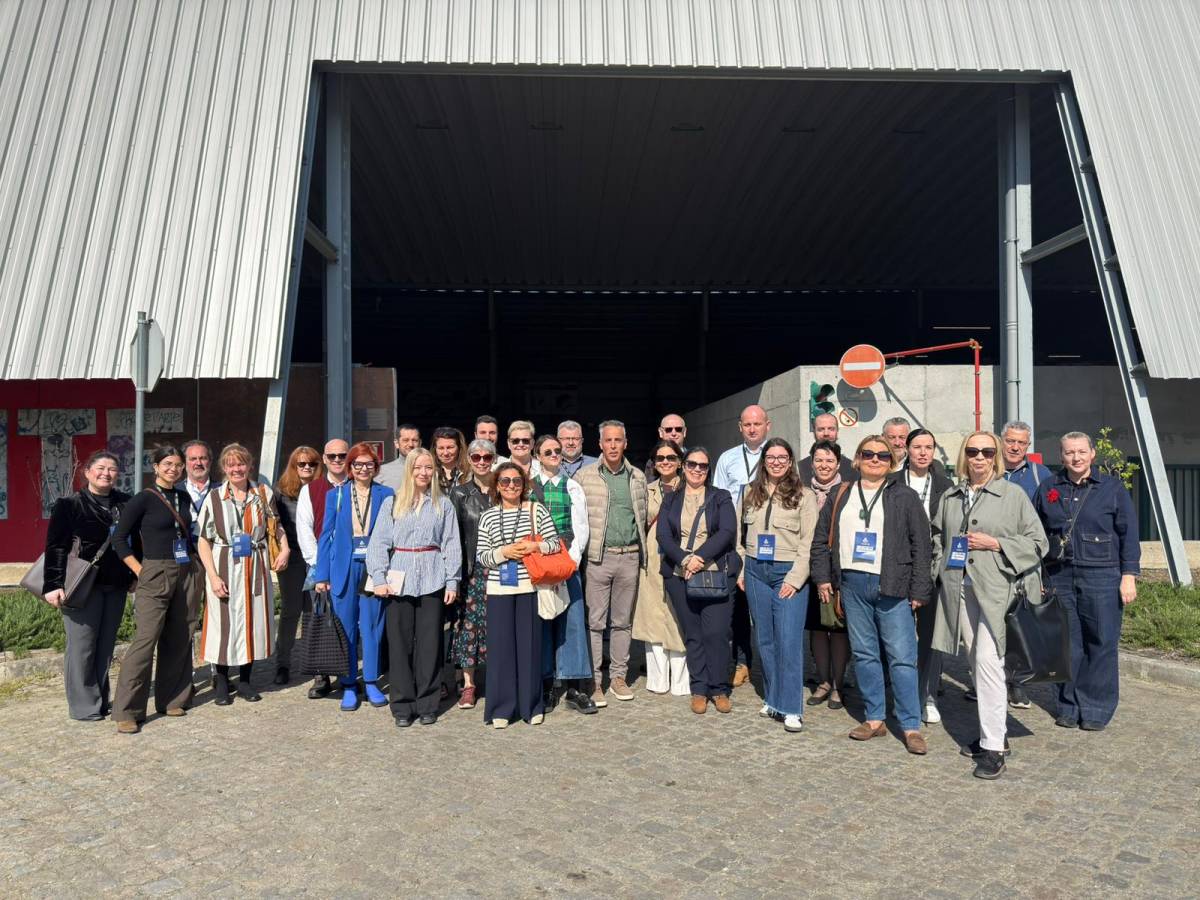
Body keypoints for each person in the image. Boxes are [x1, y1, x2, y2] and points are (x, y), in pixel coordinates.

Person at [932, 432, 1048, 780]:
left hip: (999, 592)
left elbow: (1038, 542)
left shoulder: (1012, 495)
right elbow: (938, 536)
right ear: (964, 455)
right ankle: (994, 734)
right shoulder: (952, 496)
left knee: (987, 662)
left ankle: (994, 747)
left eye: (986, 451)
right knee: (974, 661)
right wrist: (940, 564)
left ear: (995, 456)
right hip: (960, 590)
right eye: (973, 451)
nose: (979, 457)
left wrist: (996, 543)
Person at [810, 435, 932, 755]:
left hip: (892, 584)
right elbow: (822, 539)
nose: (875, 459)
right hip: (851, 585)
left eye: (882, 455)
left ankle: (910, 725)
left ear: (891, 462)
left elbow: (922, 546)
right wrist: (823, 578)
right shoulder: (842, 493)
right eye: (868, 454)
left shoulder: (903, 496)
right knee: (864, 655)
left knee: (902, 658)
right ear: (857, 459)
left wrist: (920, 588)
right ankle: (875, 719)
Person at [1034, 431, 1140, 732]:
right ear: (1061, 456)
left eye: (1081, 451)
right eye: (1069, 452)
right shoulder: (1048, 487)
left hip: (1103, 575)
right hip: (1059, 575)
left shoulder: (1112, 488)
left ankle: (1095, 707)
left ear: (1092, 454)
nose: (1076, 457)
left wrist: (1128, 576)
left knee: (1101, 641)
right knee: (1066, 644)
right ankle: (1068, 705)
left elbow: (1128, 534)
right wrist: (1039, 576)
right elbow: (1035, 533)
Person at [366, 448, 461, 727]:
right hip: (400, 580)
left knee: (430, 645)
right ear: (409, 470)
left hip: (433, 577)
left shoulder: (443, 505)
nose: (423, 472)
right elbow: (379, 543)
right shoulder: (392, 503)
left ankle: (428, 702)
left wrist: (452, 580)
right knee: (400, 645)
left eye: (428, 468)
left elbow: (451, 544)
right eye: (418, 467)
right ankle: (403, 705)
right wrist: (379, 578)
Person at [42, 451, 136, 721]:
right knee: (82, 646)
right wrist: (53, 584)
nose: (106, 473)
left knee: (106, 645)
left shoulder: (126, 504)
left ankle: (99, 698)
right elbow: (56, 546)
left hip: (116, 583)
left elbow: (134, 542)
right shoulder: (69, 505)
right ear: (87, 472)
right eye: (101, 468)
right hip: (81, 584)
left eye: (112, 469)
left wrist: (134, 575)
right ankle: (84, 706)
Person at [197, 444, 291, 706]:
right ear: (224, 468)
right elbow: (203, 540)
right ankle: (223, 682)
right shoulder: (214, 497)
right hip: (223, 564)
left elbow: (276, 526)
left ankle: (246, 681)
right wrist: (213, 577)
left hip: (255, 563)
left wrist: (285, 548)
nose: (236, 469)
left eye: (241, 464)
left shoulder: (262, 493)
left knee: (252, 621)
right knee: (222, 624)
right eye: (230, 464)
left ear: (250, 466)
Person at [109, 447, 195, 733]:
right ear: (156, 467)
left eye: (178, 465)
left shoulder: (183, 496)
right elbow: (119, 539)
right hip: (154, 570)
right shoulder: (143, 499)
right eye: (168, 464)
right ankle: (128, 710)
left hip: (184, 569)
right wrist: (140, 569)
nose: (174, 469)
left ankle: (172, 699)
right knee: (145, 640)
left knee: (179, 635)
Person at [736, 438, 818, 733]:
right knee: (765, 640)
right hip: (756, 571)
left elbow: (809, 542)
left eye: (782, 457)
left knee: (789, 641)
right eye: (771, 457)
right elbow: (739, 536)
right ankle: (772, 699)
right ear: (764, 461)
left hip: (788, 572)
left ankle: (791, 707)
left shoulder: (803, 495)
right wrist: (743, 568)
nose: (776, 462)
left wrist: (796, 580)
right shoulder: (748, 492)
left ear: (791, 460)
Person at [474, 462, 560, 728]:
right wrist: (504, 553)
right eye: (505, 481)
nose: (511, 486)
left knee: (529, 648)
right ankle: (501, 707)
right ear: (496, 486)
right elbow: (482, 556)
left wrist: (534, 546)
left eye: (516, 481)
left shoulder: (537, 510)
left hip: (529, 588)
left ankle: (531, 704)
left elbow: (555, 543)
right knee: (501, 651)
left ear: (524, 485)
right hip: (499, 589)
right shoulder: (488, 516)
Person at [312, 443, 394, 712]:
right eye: (357, 464)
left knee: (372, 627)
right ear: (350, 467)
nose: (363, 469)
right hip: (343, 569)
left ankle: (370, 680)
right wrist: (321, 575)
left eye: (368, 464)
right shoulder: (336, 495)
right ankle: (348, 683)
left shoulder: (387, 494)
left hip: (374, 568)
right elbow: (325, 536)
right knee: (345, 629)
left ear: (375, 467)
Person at [658, 447, 740, 714]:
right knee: (693, 634)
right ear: (683, 466)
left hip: (714, 573)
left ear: (709, 470)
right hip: (679, 576)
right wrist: (684, 559)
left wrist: (699, 558)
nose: (697, 469)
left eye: (703, 466)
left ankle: (719, 688)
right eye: (692, 464)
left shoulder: (721, 497)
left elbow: (727, 531)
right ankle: (699, 688)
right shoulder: (671, 499)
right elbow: (663, 536)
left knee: (716, 633)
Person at [575, 421, 649, 706]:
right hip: (598, 558)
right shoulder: (584, 477)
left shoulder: (638, 477)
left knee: (622, 622)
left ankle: (618, 677)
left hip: (629, 556)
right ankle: (594, 681)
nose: (614, 445)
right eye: (609, 440)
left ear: (625, 443)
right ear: (601, 444)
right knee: (594, 623)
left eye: (619, 440)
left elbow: (641, 517)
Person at [888, 428, 954, 725]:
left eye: (929, 447)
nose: (923, 452)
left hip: (933, 568)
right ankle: (901, 695)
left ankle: (927, 695)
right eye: (917, 447)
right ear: (907, 449)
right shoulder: (892, 482)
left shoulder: (945, 485)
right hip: (899, 566)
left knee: (930, 637)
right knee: (898, 636)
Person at [531, 434, 596, 714]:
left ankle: (573, 686)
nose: (555, 455)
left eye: (557, 451)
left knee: (572, 623)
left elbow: (581, 526)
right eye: (548, 452)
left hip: (567, 561)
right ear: (538, 456)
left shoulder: (572, 486)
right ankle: (545, 683)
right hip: (539, 563)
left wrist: (571, 560)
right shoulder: (529, 488)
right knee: (542, 622)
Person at [712, 404, 771, 688]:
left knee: (763, 605)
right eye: (747, 424)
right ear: (740, 427)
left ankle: (766, 663)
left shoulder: (778, 455)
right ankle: (741, 662)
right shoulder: (728, 458)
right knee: (736, 604)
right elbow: (719, 498)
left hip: (766, 537)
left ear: (767, 426)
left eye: (757, 424)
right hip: (735, 538)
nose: (752, 428)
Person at [633, 440, 690, 697]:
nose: (665, 462)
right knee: (653, 618)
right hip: (652, 562)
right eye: (659, 458)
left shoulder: (691, 488)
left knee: (679, 618)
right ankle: (657, 679)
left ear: (680, 461)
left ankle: (680, 680)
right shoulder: (646, 490)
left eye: (670, 457)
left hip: (682, 560)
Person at [296, 438, 349, 698]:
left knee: (348, 620)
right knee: (319, 619)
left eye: (342, 456)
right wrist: (320, 566)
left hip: (352, 565)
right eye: (332, 456)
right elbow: (304, 529)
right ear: (324, 460)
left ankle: (347, 674)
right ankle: (321, 675)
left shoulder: (360, 485)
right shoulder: (311, 489)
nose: (337, 460)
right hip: (322, 565)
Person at [448, 439, 496, 709]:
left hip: (502, 568)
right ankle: (468, 684)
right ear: (469, 459)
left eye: (486, 457)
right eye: (475, 457)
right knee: (468, 627)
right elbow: (453, 537)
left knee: (499, 624)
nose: (481, 462)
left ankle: (499, 677)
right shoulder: (460, 493)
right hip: (472, 570)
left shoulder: (505, 487)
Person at [803, 440, 850, 711]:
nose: (824, 465)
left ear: (838, 464)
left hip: (838, 569)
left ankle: (838, 684)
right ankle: (822, 680)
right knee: (818, 629)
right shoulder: (803, 491)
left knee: (839, 627)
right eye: (819, 460)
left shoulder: (848, 491)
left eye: (829, 461)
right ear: (812, 463)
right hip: (810, 569)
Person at [271, 446, 324, 685]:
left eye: (311, 464)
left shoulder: (324, 489)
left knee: (315, 610)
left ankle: (316, 666)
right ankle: (283, 663)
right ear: (293, 466)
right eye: (301, 464)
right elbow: (276, 525)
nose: (306, 468)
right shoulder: (281, 492)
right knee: (291, 611)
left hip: (317, 557)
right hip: (292, 556)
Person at [180, 440, 212, 649]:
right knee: (186, 616)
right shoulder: (174, 492)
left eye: (203, 458)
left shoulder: (223, 490)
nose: (198, 463)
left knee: (216, 614)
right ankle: (186, 674)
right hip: (187, 561)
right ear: (185, 463)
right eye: (193, 459)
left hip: (216, 560)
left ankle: (216, 669)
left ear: (210, 462)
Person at [1001, 420, 1052, 501]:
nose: (1015, 448)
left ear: (1028, 445)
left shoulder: (1041, 473)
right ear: (1001, 441)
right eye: (1010, 441)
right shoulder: (988, 471)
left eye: (1021, 443)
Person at [797, 414, 855, 482]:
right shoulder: (800, 468)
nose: (826, 433)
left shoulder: (853, 468)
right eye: (821, 429)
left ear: (837, 431)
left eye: (831, 429)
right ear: (814, 432)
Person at [376, 424, 421, 490]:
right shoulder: (382, 472)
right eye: (405, 440)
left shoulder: (430, 471)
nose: (411, 444)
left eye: (414, 440)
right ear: (396, 443)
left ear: (420, 443)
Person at [643, 414, 687, 480]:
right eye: (668, 430)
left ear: (684, 432)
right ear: (661, 432)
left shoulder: (694, 459)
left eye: (678, 429)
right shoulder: (653, 462)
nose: (673, 433)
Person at [432, 426, 470, 493]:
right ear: (435, 449)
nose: (445, 453)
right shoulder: (429, 472)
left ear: (459, 448)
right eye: (441, 448)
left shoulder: (470, 472)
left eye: (450, 447)